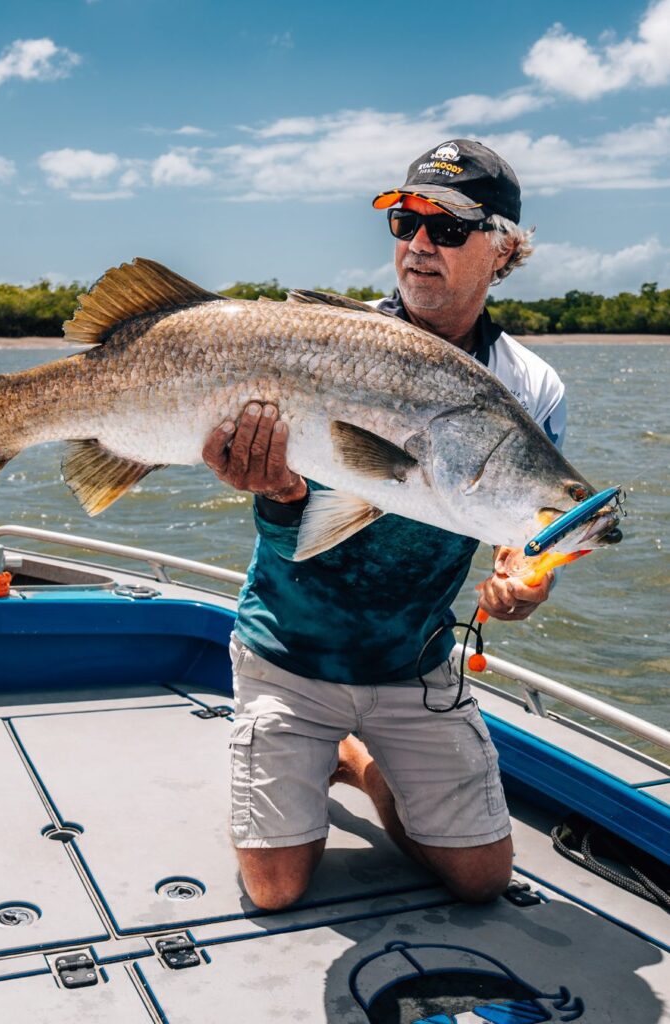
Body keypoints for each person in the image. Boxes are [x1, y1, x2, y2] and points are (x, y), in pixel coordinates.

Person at [202, 139, 566, 911]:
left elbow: (523, 531)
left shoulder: (531, 386)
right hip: (288, 650)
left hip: (415, 661)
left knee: (481, 881)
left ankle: (357, 761)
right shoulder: (334, 343)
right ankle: (326, 741)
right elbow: (294, 521)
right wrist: (272, 494)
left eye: (448, 228)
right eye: (404, 223)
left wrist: (522, 583)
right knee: (273, 890)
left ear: (502, 249)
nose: (418, 245)